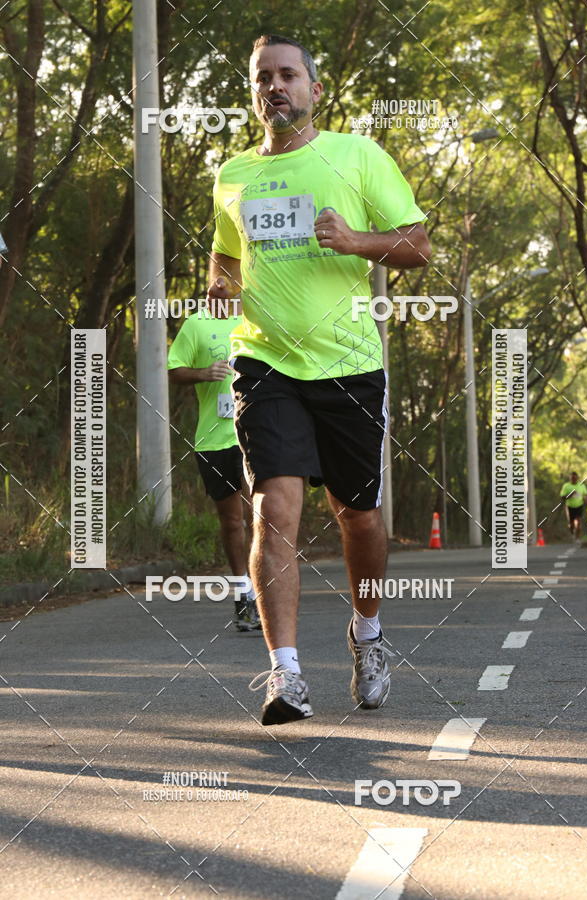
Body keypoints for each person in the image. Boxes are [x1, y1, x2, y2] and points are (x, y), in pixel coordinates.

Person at [207, 33, 431, 726]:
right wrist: (219, 281)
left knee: (357, 517)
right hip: (265, 363)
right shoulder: (233, 174)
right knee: (275, 508)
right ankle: (287, 676)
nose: (275, 87)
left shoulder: (358, 156)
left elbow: (417, 245)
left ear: (314, 88)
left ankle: (367, 634)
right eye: (263, 78)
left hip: (349, 365)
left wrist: (356, 241)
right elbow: (226, 257)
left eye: (288, 75)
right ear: (254, 91)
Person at [168, 308, 261, 632]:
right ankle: (242, 595)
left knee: (262, 518)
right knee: (232, 522)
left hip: (254, 432)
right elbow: (174, 370)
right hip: (212, 440)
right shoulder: (196, 323)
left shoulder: (256, 314)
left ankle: (266, 596)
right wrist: (203, 372)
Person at [560, 471, 587, 541]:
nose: (574, 479)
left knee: (578, 522)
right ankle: (572, 532)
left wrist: (585, 499)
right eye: (572, 478)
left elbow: (586, 495)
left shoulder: (582, 485)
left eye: (575, 478)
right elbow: (562, 497)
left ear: (577, 478)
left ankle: (577, 538)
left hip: (579, 506)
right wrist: (570, 495)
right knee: (571, 523)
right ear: (570, 478)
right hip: (569, 506)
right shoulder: (566, 486)